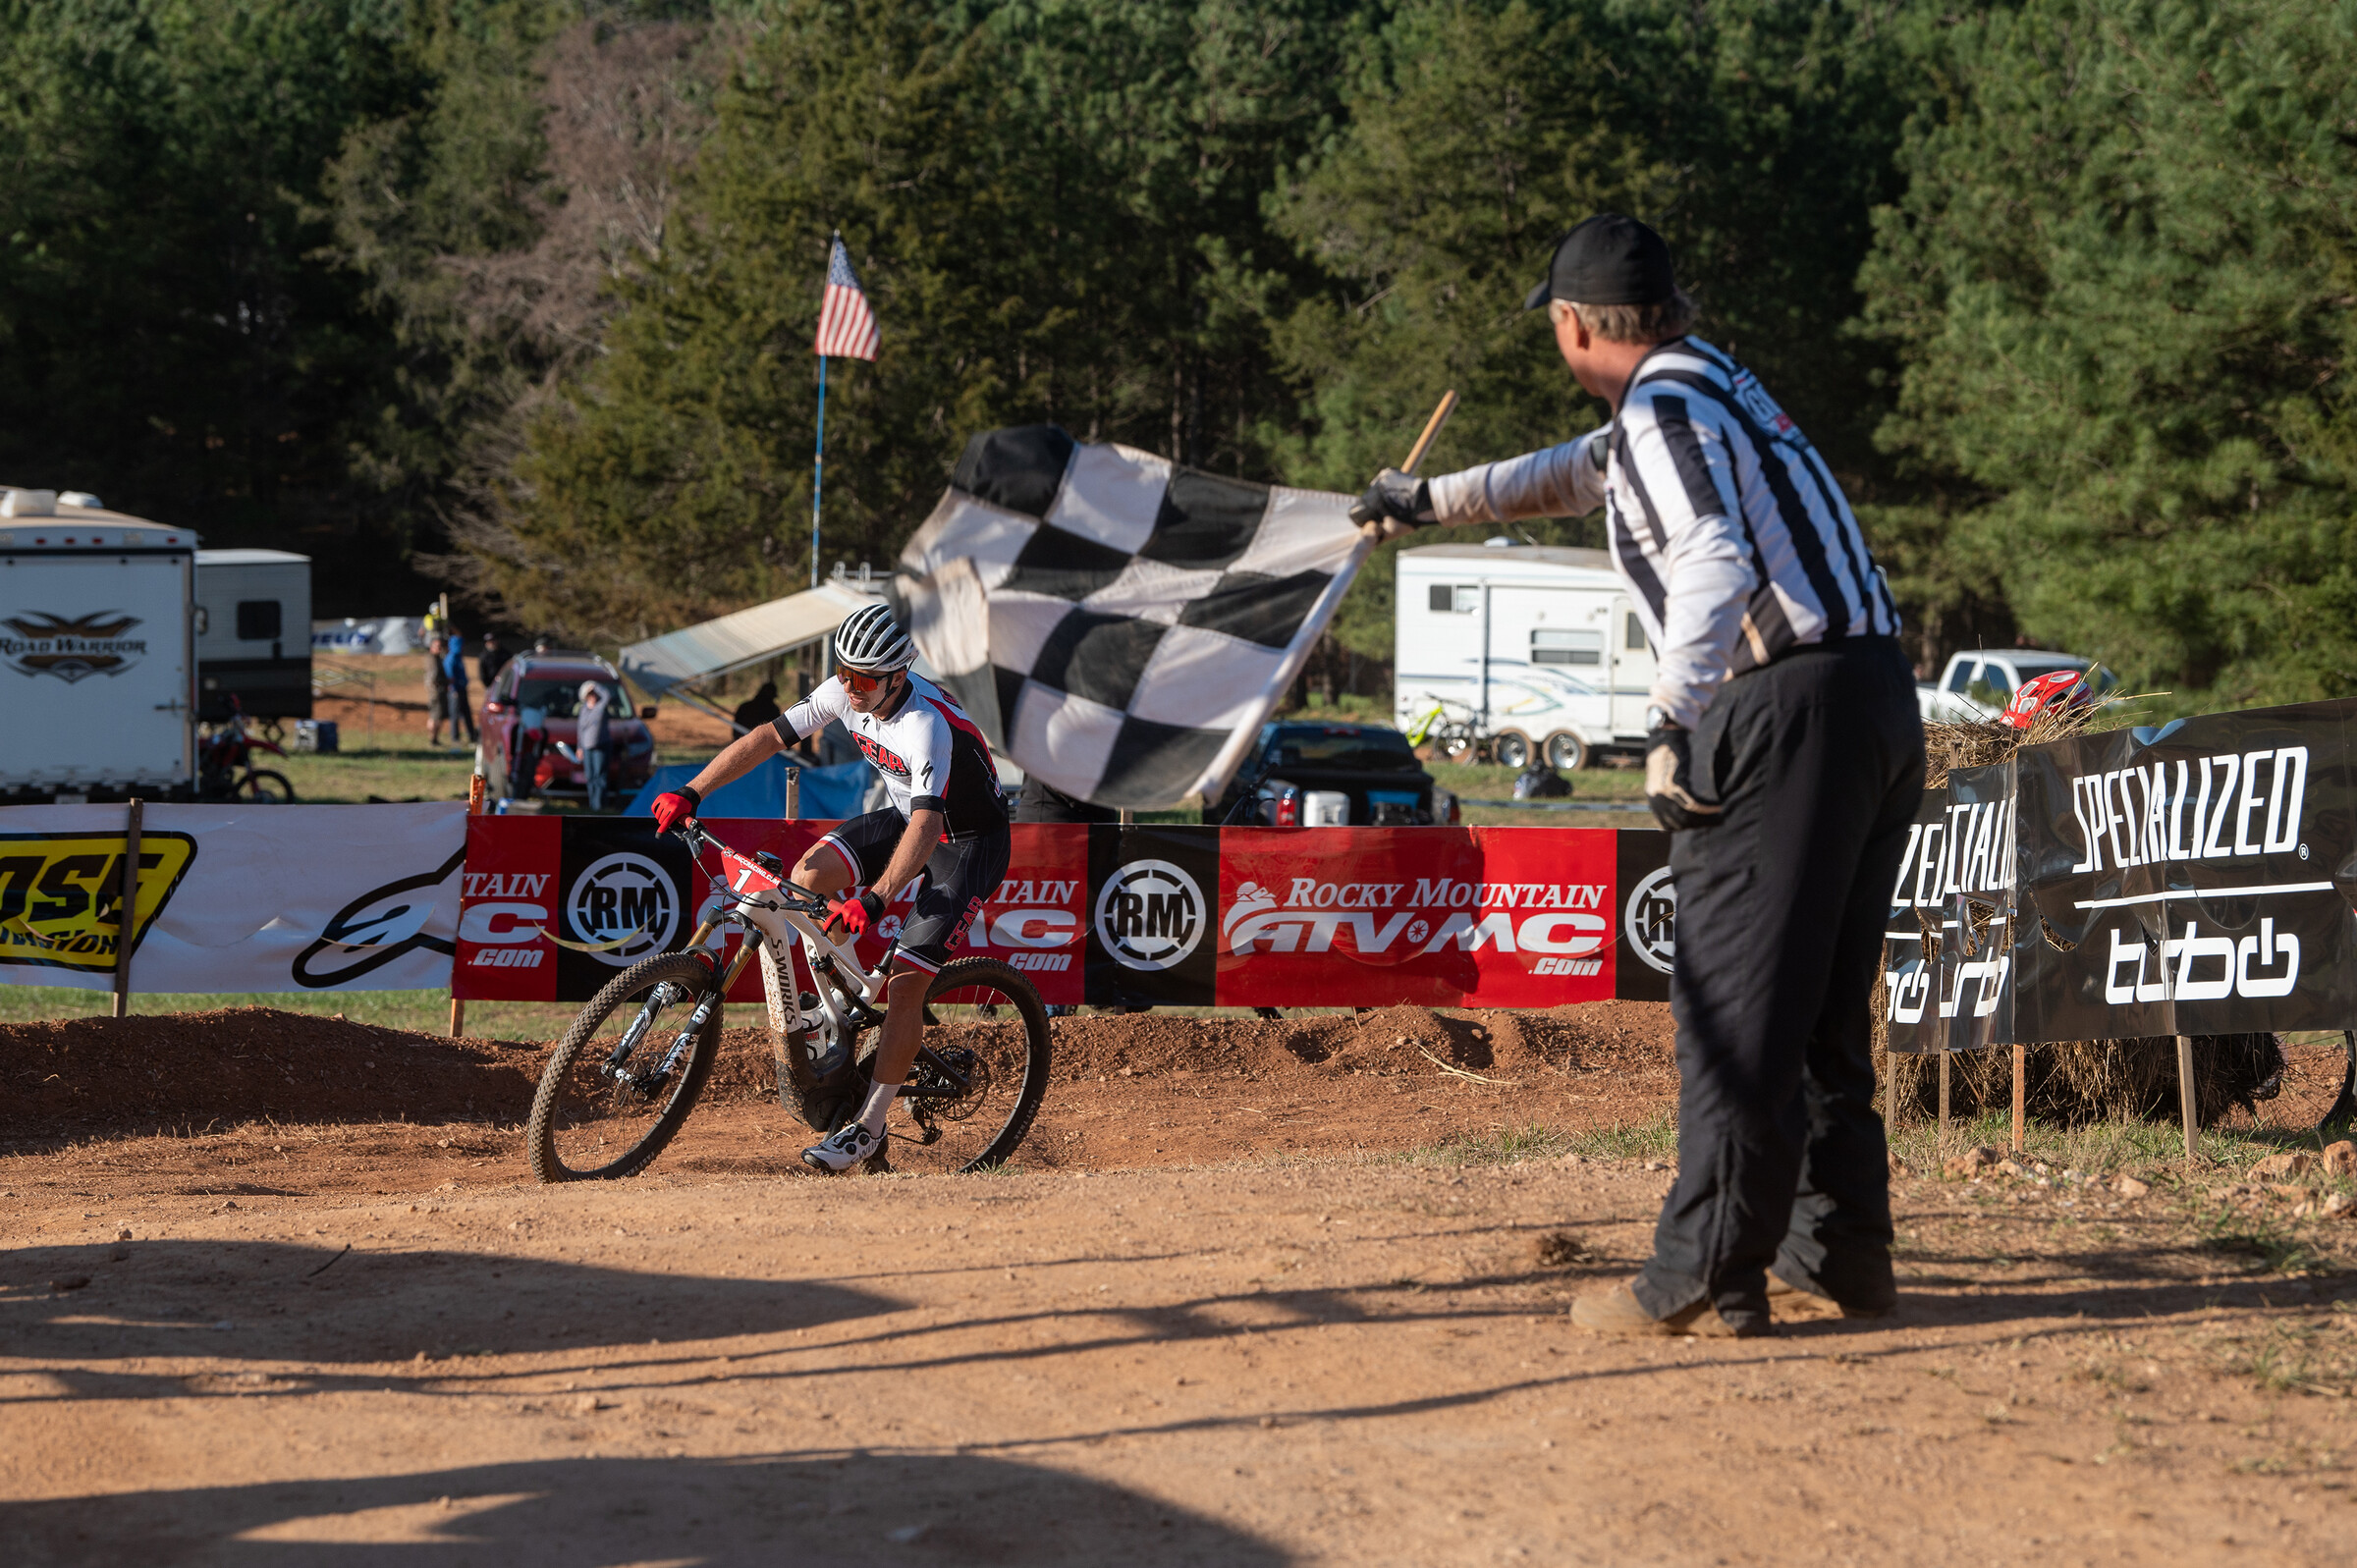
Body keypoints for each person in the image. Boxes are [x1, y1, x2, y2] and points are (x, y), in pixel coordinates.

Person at [1356, 213, 1924, 1338]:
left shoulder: (1661, 410)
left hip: (1781, 704)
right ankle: (1840, 1250)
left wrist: (1670, 715)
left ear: (1573, 327)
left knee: (1731, 1006)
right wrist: (1426, 503)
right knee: (1813, 1012)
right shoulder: (1708, 386)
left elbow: (1711, 551)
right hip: (1873, 697)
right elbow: (1568, 477)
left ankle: (1700, 1271)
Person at [649, 602, 1010, 1174]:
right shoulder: (846, 689)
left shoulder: (926, 725)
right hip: (904, 815)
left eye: (863, 679)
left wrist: (875, 897)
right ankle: (843, 997)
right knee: (804, 880)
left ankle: (868, 1127)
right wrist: (692, 790)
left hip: (965, 839)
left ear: (897, 677)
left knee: (907, 980)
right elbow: (768, 737)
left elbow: (928, 826)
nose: (850, 687)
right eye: (842, 673)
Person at [576, 679, 611, 812]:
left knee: (599, 775)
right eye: (590, 694)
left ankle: (599, 805)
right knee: (590, 776)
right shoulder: (584, 709)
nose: (593, 696)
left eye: (594, 694)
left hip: (600, 746)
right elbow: (580, 729)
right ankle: (592, 804)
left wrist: (596, 686)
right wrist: (579, 747)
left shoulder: (600, 708)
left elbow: (607, 695)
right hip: (586, 746)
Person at [444, 633, 477, 745]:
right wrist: (453, 690)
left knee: (466, 713)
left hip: (462, 689)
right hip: (455, 691)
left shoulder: (459, 657)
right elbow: (450, 677)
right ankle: (455, 738)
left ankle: (472, 736)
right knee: (455, 715)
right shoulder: (451, 658)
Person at [424, 636, 451, 747]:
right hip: (437, 693)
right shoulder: (433, 659)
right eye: (438, 647)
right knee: (436, 717)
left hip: (436, 692)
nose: (440, 649)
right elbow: (433, 677)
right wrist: (442, 684)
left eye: (442, 647)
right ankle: (433, 739)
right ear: (432, 647)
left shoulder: (437, 658)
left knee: (435, 716)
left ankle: (434, 739)